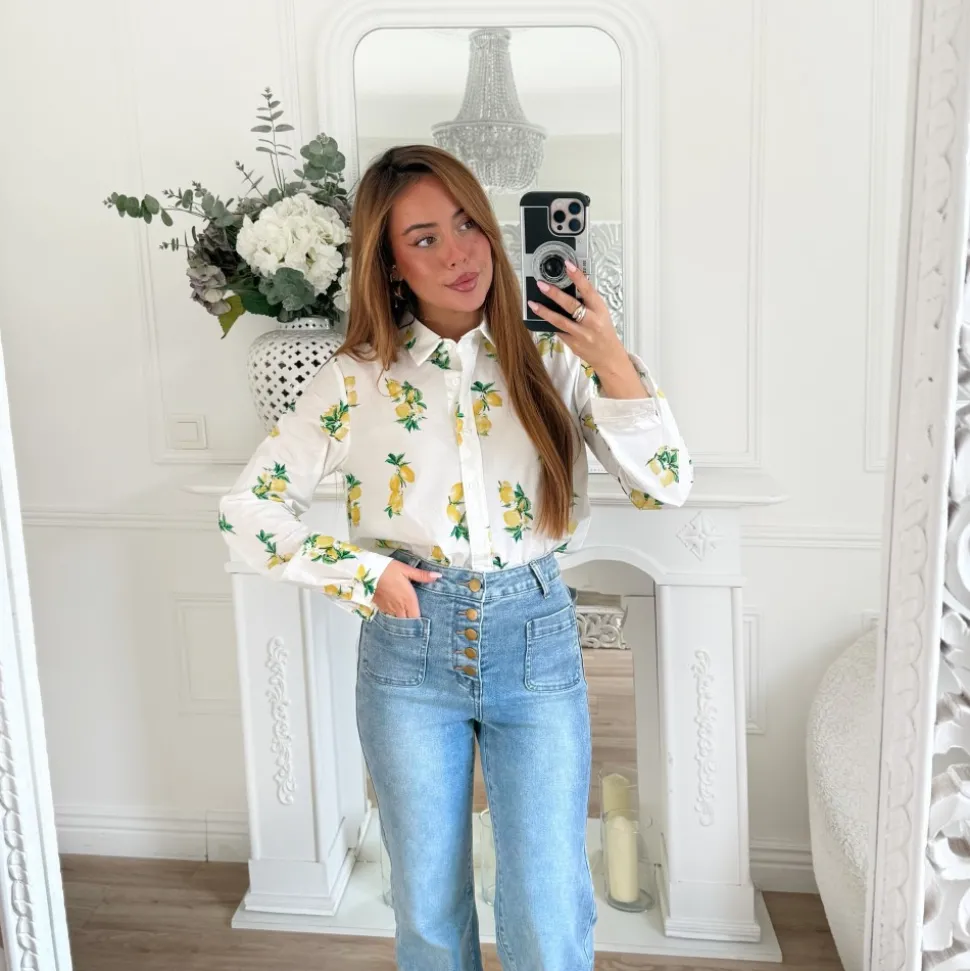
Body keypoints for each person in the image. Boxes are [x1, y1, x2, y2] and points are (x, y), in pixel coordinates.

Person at [218, 144, 693, 970]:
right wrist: (363, 573)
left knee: (548, 901)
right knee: (429, 905)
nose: (459, 253)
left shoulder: (554, 355)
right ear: (390, 263)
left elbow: (665, 488)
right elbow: (246, 512)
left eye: (469, 224)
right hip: (409, 651)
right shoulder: (355, 380)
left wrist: (611, 359)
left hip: (535, 635)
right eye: (426, 238)